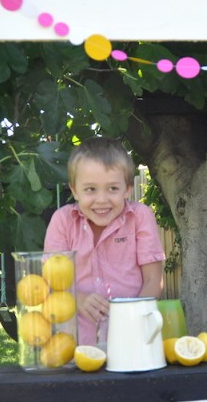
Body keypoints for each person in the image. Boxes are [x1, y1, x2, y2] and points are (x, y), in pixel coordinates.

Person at [44, 137, 165, 345]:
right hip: (74, 344)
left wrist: (129, 319)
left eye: (112, 189)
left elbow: (154, 281)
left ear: (127, 188)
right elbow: (49, 283)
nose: (102, 200)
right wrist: (78, 299)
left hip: (132, 341)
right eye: (90, 189)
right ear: (74, 190)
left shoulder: (139, 217)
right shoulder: (62, 221)